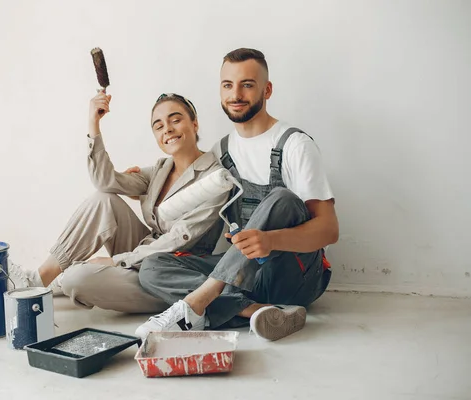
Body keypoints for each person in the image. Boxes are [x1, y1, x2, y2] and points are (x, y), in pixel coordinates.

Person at [135, 48, 339, 340]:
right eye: (228, 85)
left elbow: (329, 229)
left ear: (266, 90)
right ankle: (254, 311)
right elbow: (184, 169)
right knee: (153, 267)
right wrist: (143, 177)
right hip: (243, 277)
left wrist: (270, 240)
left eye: (247, 84)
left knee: (282, 199)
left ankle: (196, 305)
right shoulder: (221, 151)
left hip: (292, 273)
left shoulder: (294, 144)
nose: (236, 94)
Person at [8, 92, 229, 314]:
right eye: (158, 126)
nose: (167, 129)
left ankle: (64, 279)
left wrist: (117, 261)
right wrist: (94, 124)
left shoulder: (216, 178)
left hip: (170, 272)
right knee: (103, 199)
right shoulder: (160, 170)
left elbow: (178, 239)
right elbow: (105, 182)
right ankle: (38, 280)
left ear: (195, 123)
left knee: (76, 279)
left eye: (175, 119)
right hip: (141, 255)